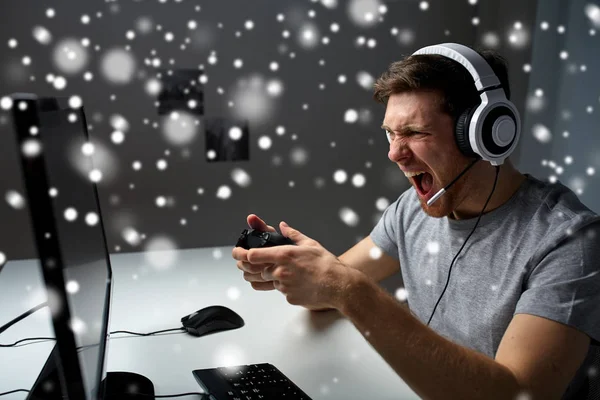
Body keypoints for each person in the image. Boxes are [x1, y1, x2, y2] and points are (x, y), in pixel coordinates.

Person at [231, 44, 600, 399]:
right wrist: (297, 265)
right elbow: (329, 291)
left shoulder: (569, 241)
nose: (394, 153)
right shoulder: (411, 209)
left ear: (486, 133)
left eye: (414, 133)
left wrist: (350, 290)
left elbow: (518, 396)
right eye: (390, 133)